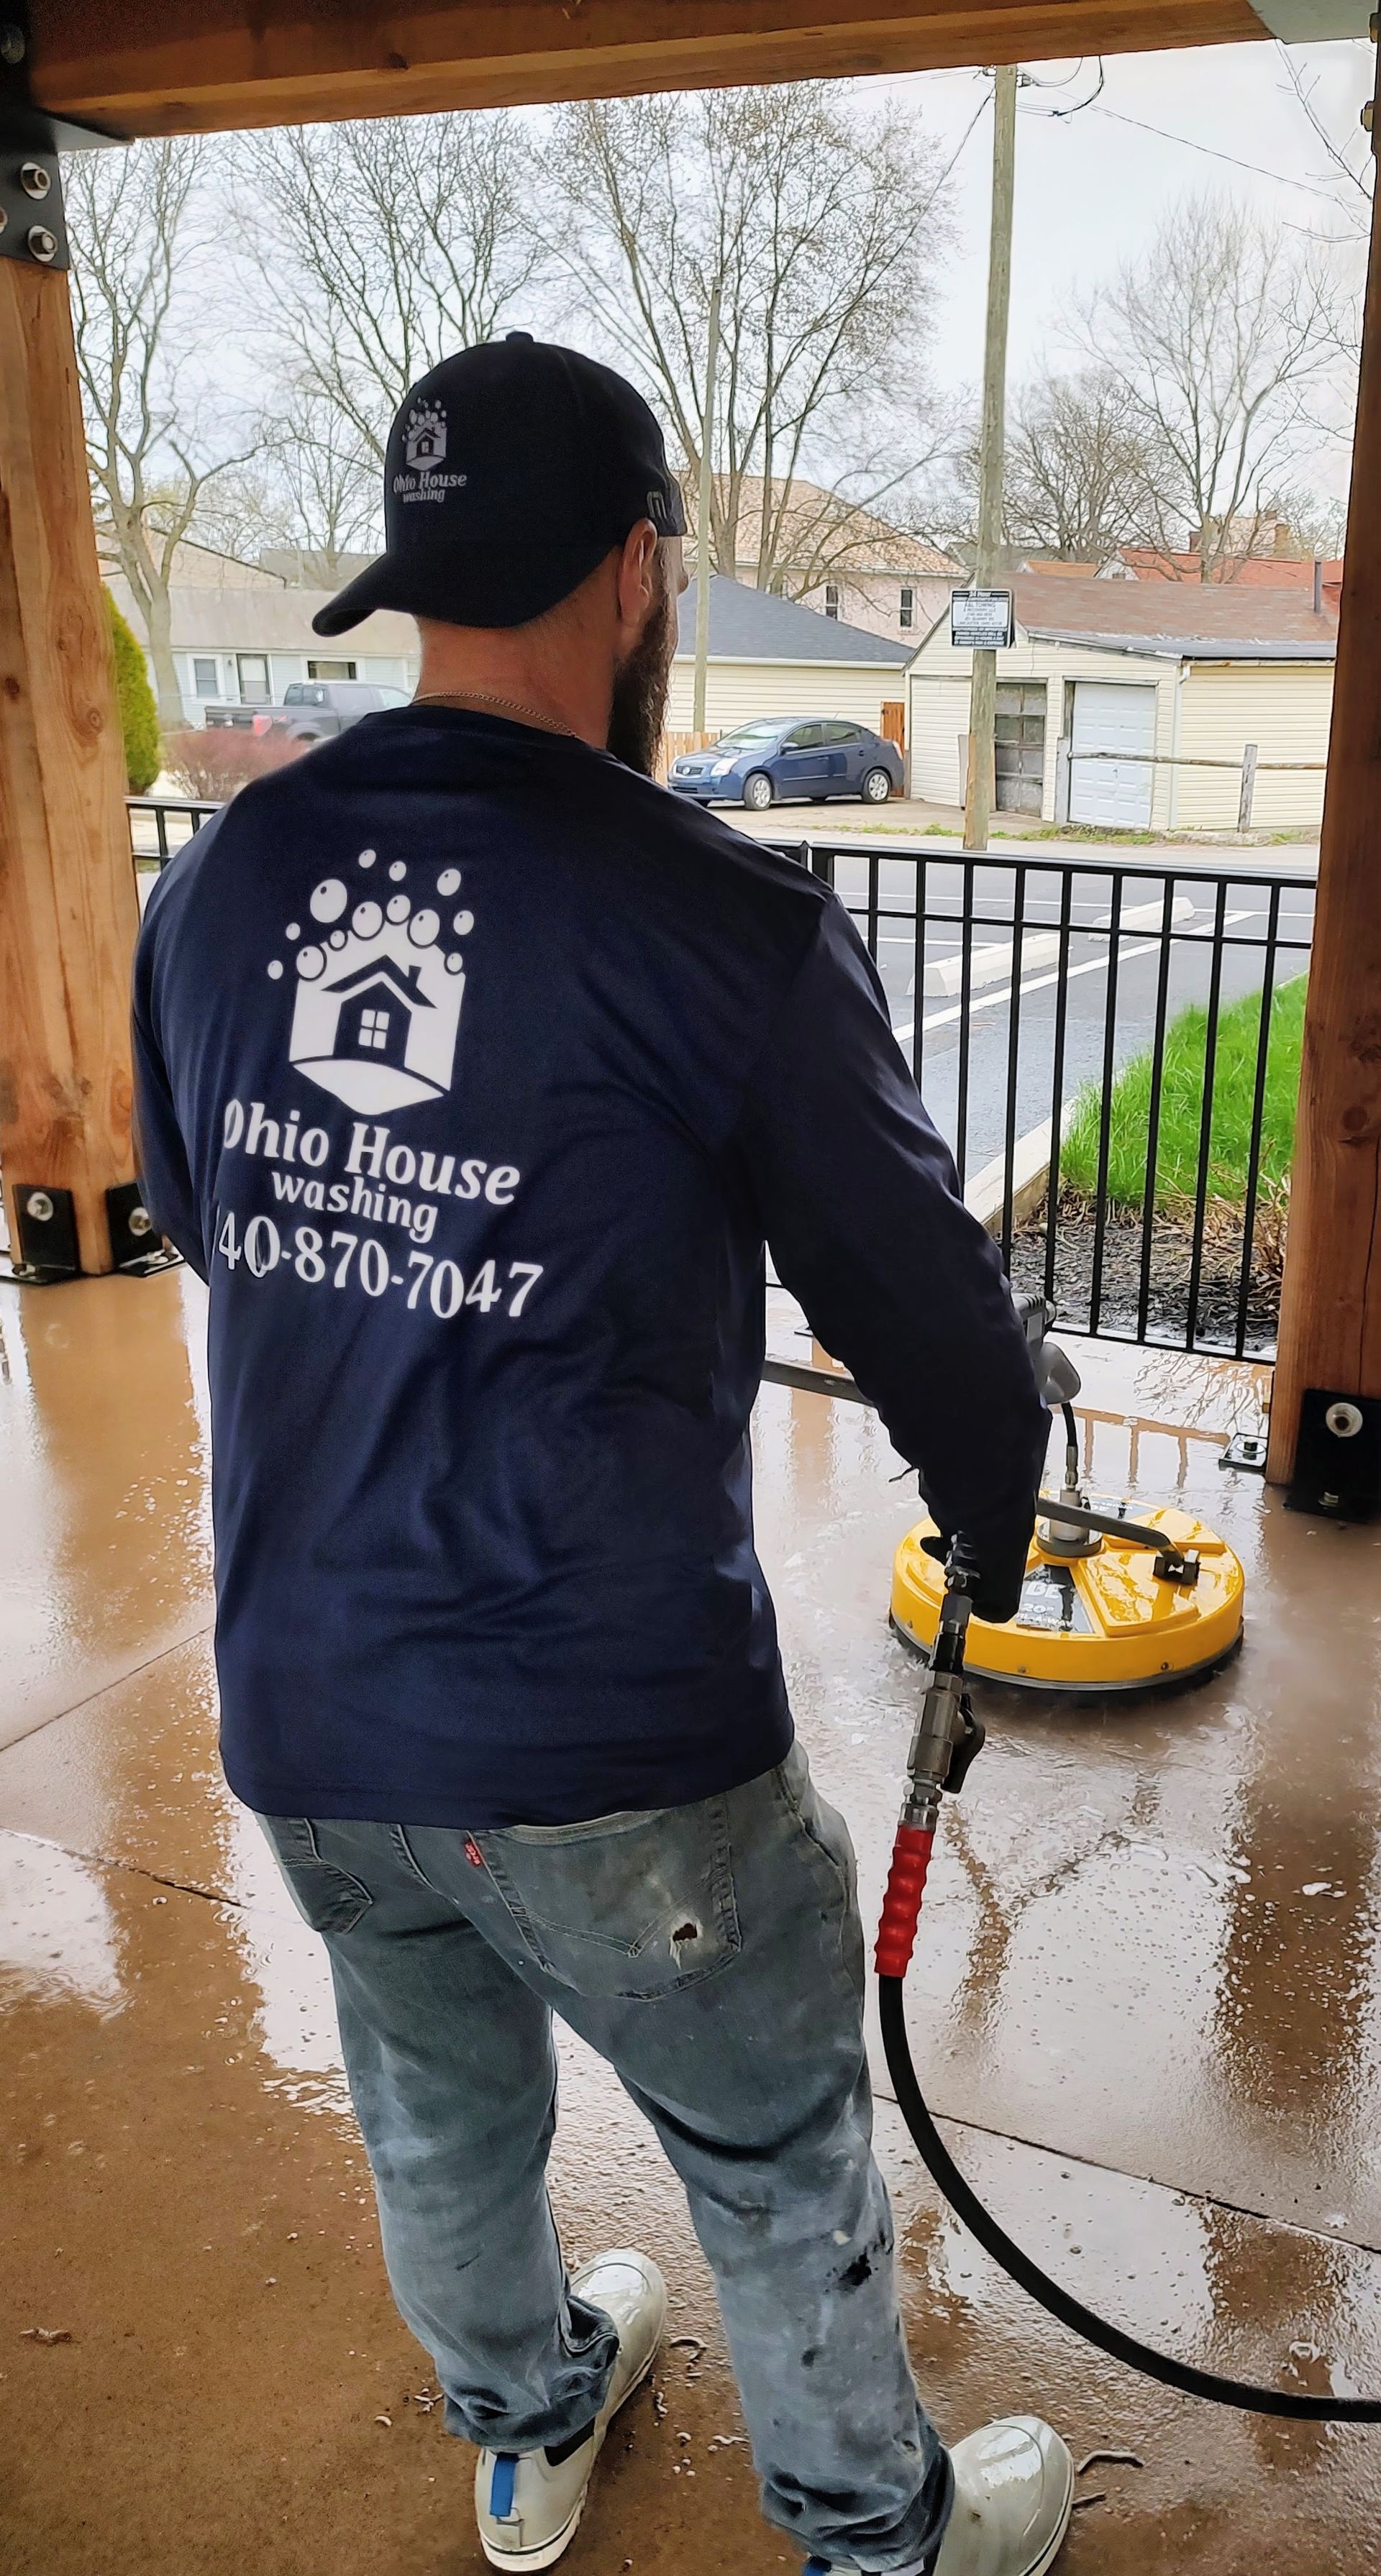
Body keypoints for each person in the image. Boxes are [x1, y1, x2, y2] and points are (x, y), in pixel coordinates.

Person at [132, 334, 1072, 2576]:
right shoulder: (720, 922)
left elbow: (202, 1207)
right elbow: (932, 1314)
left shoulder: (237, 870)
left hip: (313, 1705)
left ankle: (527, 2419)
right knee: (770, 2151)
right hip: (616, 1737)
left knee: (440, 2108)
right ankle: (879, 2537)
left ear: (417, 587)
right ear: (640, 572)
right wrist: (993, 1499)